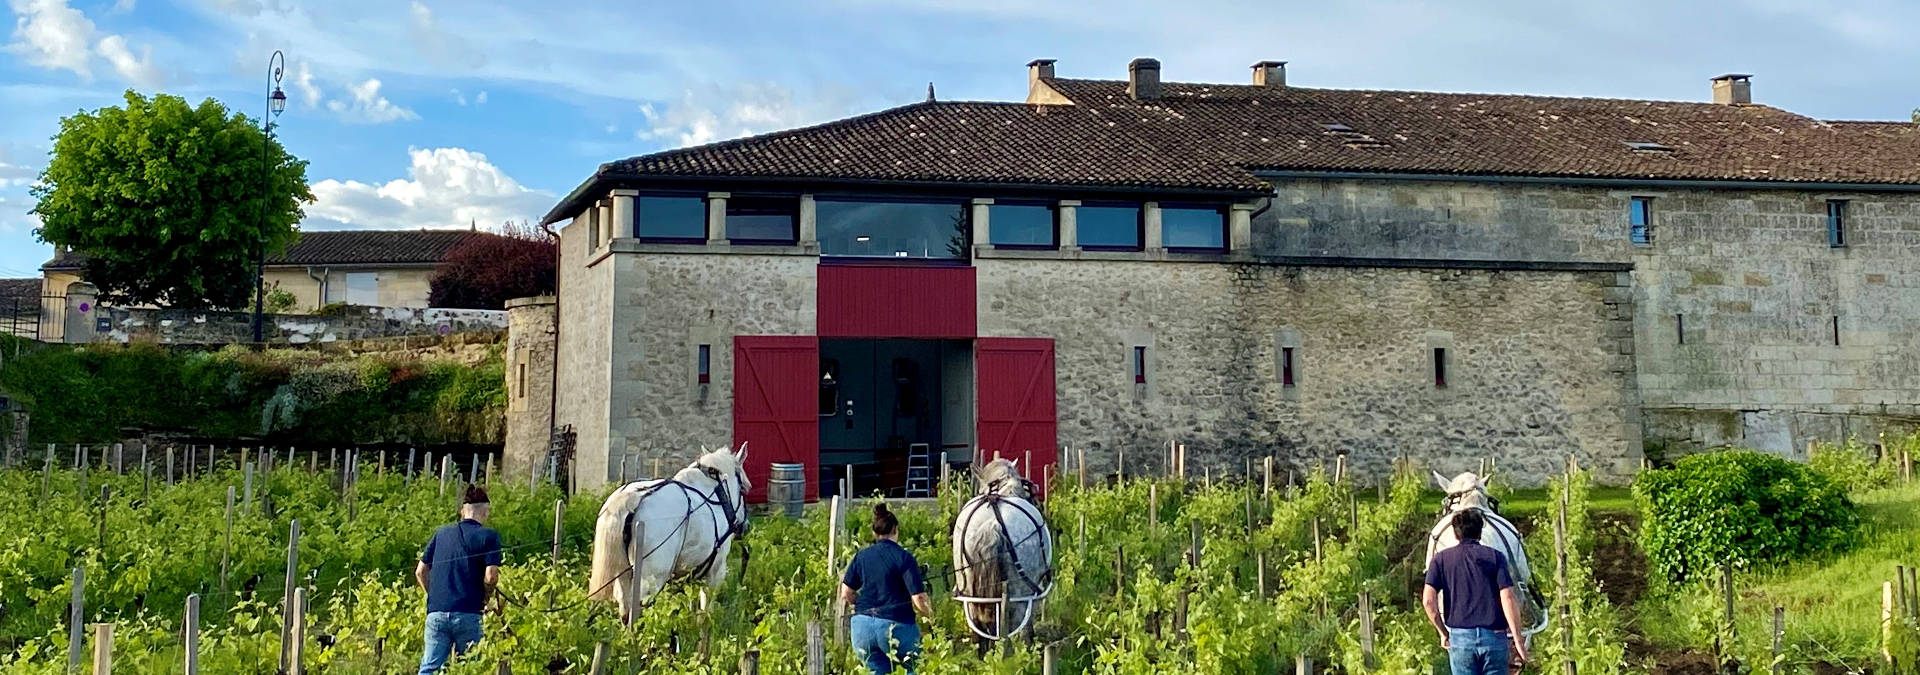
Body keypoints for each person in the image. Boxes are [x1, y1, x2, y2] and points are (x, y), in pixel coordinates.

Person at [1423, 508, 1529, 675]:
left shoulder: (1441, 560)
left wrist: (1443, 632)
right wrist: (1517, 640)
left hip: (1461, 639)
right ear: (1480, 532)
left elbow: (1429, 602)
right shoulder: (1496, 557)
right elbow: (1508, 598)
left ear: (1456, 533)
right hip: (1494, 638)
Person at [415, 484, 502, 675]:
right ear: (486, 512)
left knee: (429, 668)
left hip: (436, 612)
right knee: (470, 668)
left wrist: (434, 596)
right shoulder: (490, 536)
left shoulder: (441, 534)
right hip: (469, 612)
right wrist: (486, 598)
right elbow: (491, 576)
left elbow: (420, 572)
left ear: (463, 512)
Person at [840, 503, 934, 675]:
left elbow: (846, 593)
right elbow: (918, 597)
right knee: (911, 667)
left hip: (861, 628)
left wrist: (862, 605)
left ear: (874, 533)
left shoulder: (861, 556)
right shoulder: (904, 557)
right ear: (896, 529)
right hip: (896, 626)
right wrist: (931, 620)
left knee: (876, 671)